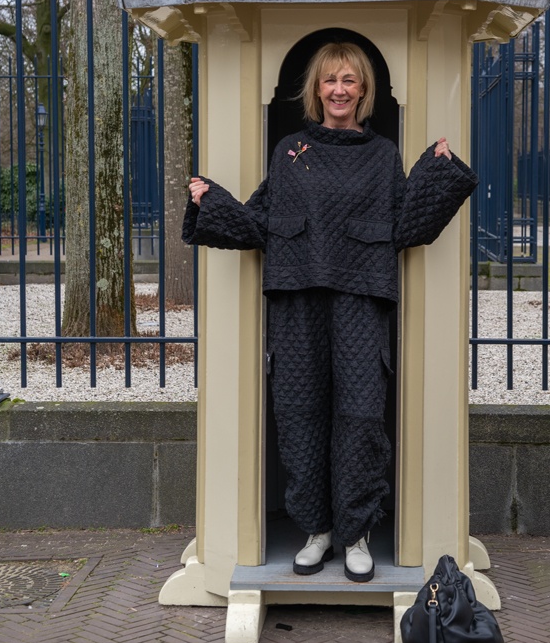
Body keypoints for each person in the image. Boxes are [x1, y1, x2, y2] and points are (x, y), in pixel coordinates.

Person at [183, 42, 478, 583]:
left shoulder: (382, 154)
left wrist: (437, 172)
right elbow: (259, 222)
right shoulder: (290, 150)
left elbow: (407, 225)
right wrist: (212, 201)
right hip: (297, 297)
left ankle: (355, 533)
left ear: (363, 90)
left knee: (361, 417)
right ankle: (317, 530)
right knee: (299, 411)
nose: (339, 90)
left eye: (349, 80)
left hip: (361, 298)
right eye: (329, 81)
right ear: (315, 90)